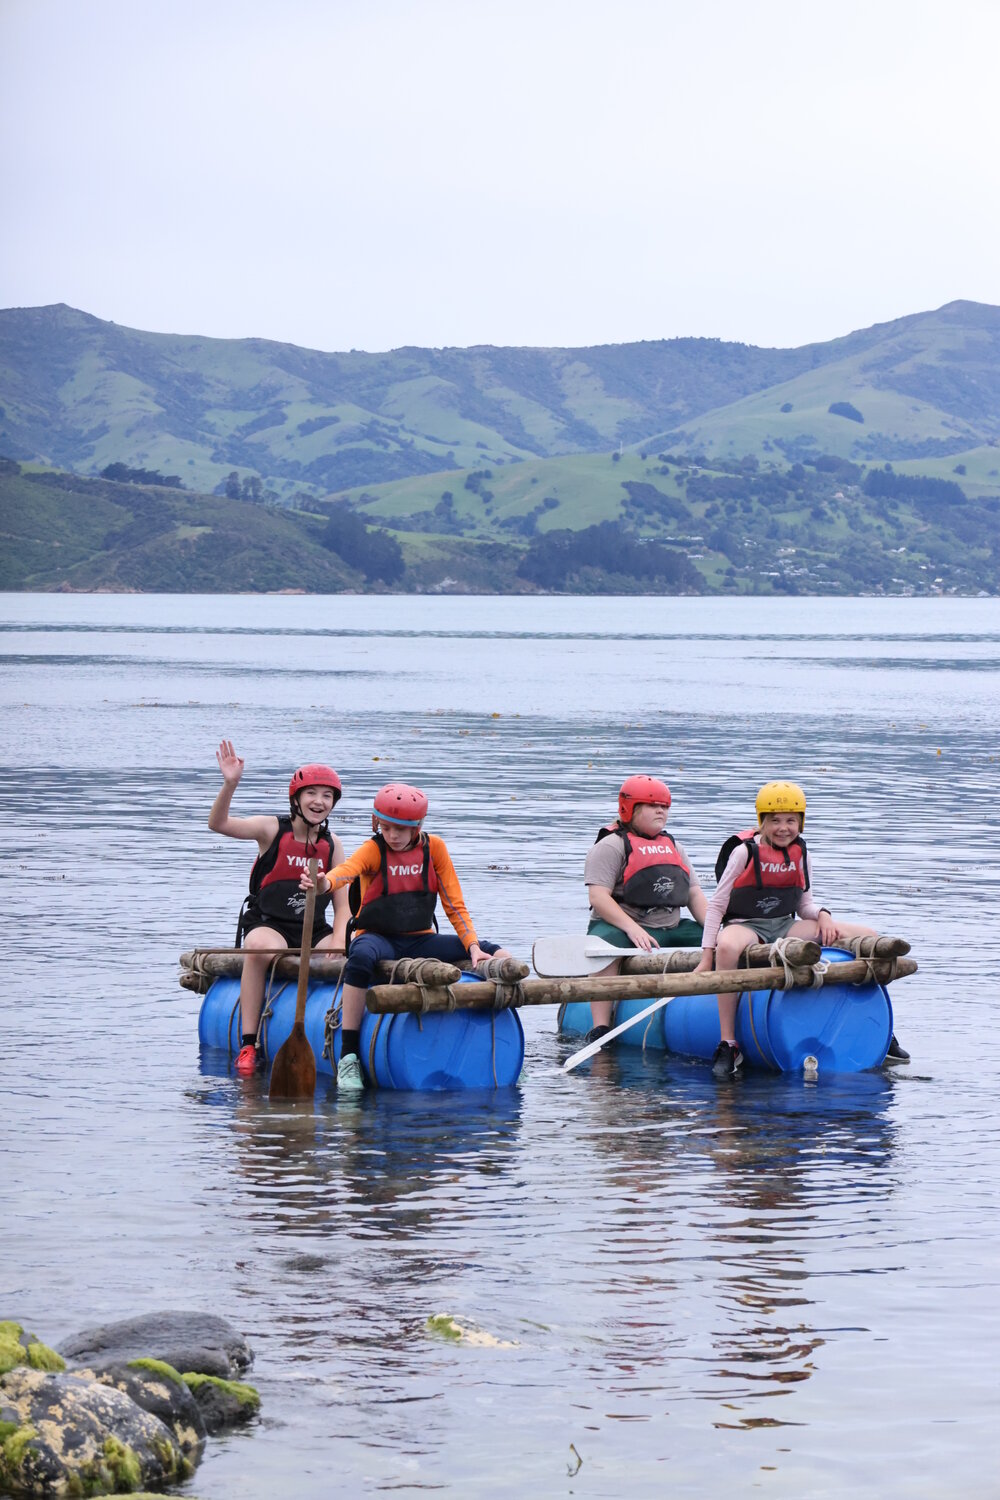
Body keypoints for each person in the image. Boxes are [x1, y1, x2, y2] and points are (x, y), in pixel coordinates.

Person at [301, 781, 520, 1091]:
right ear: (377, 823)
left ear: (417, 826)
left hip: (420, 939)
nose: (393, 835)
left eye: (401, 829)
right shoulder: (373, 849)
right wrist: (324, 884)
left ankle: (506, 1043)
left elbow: (454, 903)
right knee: (360, 958)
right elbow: (347, 871)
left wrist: (472, 946)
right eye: (386, 827)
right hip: (377, 938)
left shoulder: (435, 849)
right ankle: (349, 1055)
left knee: (491, 949)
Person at [695, 779, 910, 1079]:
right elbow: (717, 905)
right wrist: (708, 955)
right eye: (775, 821)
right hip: (745, 925)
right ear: (762, 821)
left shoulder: (801, 853)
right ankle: (728, 1043)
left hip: (784, 924)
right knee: (728, 946)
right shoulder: (744, 853)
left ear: (801, 822)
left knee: (868, 936)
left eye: (791, 821)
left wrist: (823, 916)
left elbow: (804, 904)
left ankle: (883, 1033)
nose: (783, 828)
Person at [209, 739, 349, 1076]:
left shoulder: (333, 845)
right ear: (296, 799)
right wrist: (230, 784)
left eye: (327, 795)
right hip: (270, 923)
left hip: (313, 930)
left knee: (350, 951)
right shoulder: (271, 829)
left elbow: (343, 907)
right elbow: (218, 824)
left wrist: (339, 941)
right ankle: (248, 1043)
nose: (319, 801)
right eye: (311, 793)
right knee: (259, 947)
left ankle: (344, 1040)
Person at [583, 774, 708, 1043]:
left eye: (664, 806)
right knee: (603, 948)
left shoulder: (674, 847)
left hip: (670, 926)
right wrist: (632, 928)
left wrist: (714, 932)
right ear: (629, 809)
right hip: (622, 925)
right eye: (652, 805)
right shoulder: (611, 846)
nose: (660, 811)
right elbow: (598, 896)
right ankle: (600, 1026)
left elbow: (694, 893)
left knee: (720, 943)